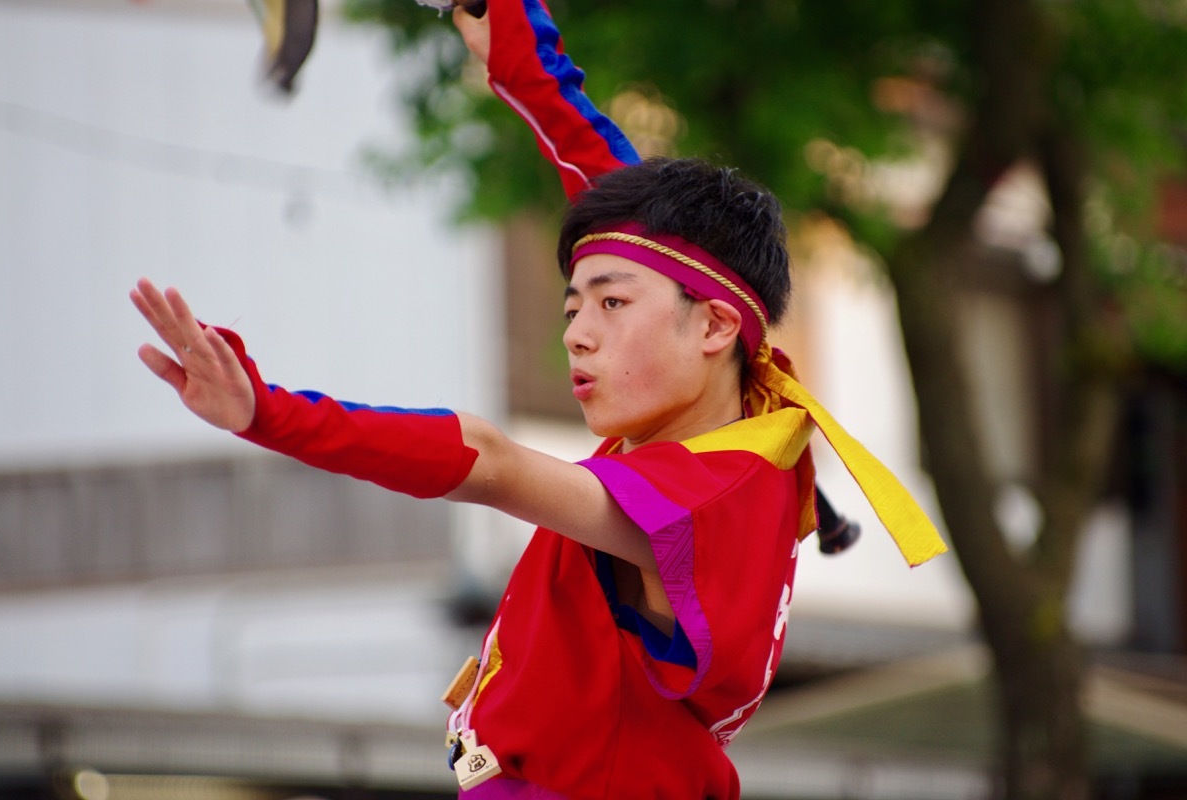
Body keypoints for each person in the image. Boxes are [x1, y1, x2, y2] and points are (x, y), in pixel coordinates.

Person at [132, 1, 946, 796]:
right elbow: (613, 187)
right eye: (571, 306)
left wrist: (268, 413)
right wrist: (518, 48)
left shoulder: (714, 492)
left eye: (610, 304)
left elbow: (485, 459)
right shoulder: (727, 426)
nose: (577, 334)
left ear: (714, 326)